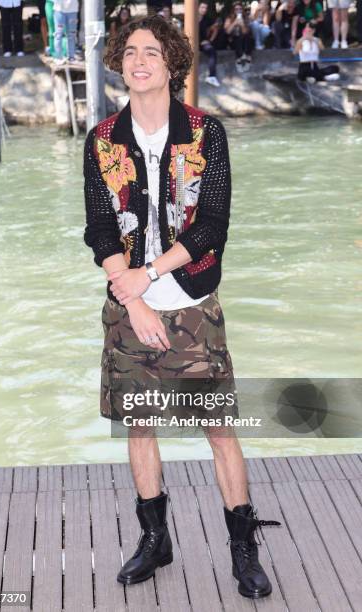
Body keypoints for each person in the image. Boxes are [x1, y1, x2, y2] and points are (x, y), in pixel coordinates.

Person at [83, 13, 282, 599]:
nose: (138, 61)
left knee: (220, 428)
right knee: (140, 427)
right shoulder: (101, 140)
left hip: (192, 299)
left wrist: (150, 276)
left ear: (171, 64)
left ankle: (242, 546)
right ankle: (154, 539)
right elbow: (99, 230)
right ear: (118, 63)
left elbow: (212, 226)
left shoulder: (204, 133)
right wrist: (132, 296)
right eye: (129, 52)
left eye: (150, 52)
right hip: (128, 307)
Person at [224, 2, 254, 72]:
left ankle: (240, 59)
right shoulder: (229, 18)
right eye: (236, 9)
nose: (238, 10)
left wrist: (242, 24)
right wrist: (234, 23)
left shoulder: (246, 18)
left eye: (240, 9)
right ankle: (246, 57)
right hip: (233, 41)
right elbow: (227, 32)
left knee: (246, 37)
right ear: (233, 10)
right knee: (237, 38)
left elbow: (246, 33)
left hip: (245, 41)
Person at [198, 1, 221, 87]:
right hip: (191, 43)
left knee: (212, 51)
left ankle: (212, 76)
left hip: (203, 43)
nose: (204, 10)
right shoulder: (190, 18)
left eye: (205, 8)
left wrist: (210, 40)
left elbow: (216, 28)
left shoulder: (207, 19)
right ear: (197, 8)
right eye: (202, 7)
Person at [53, 0, 77, 65]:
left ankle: (71, 57)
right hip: (59, 10)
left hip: (73, 9)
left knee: (72, 35)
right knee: (58, 35)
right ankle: (58, 57)